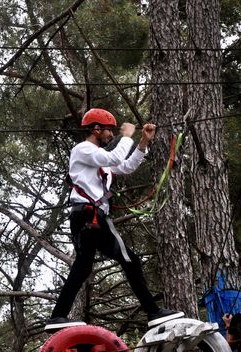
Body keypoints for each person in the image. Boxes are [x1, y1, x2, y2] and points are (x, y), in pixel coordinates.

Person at [44, 108, 183, 332]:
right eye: (109, 130)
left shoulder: (98, 159)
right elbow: (114, 156)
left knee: (83, 267)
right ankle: (153, 311)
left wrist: (143, 144)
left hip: (89, 217)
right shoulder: (83, 150)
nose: (112, 134)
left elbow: (125, 166)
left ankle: (57, 316)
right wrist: (127, 136)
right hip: (90, 215)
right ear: (96, 129)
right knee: (130, 260)